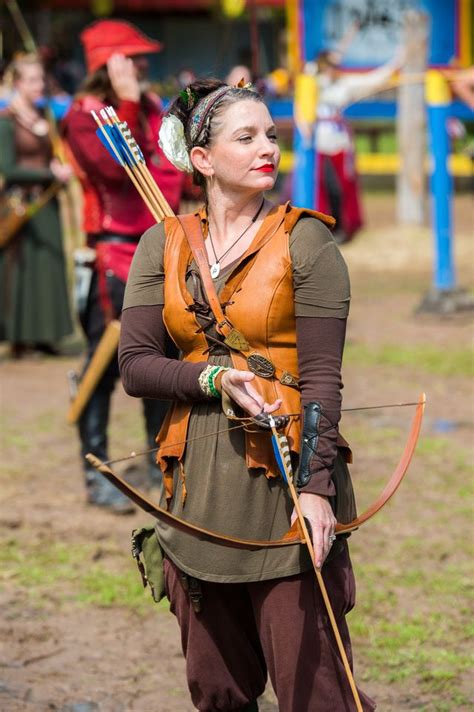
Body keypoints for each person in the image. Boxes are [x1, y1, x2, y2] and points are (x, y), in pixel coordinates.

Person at [118, 78, 375, 710]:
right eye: (247, 137)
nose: (268, 149)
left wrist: (316, 492)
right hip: (196, 491)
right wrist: (211, 378)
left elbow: (321, 378)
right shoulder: (164, 243)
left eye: (271, 135)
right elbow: (136, 365)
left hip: (285, 485)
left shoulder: (306, 241)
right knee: (217, 692)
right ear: (202, 160)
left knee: (315, 693)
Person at [62, 20, 185, 513]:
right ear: (108, 66)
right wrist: (128, 102)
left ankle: (165, 463)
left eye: (141, 58)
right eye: (131, 58)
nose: (142, 66)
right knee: (103, 365)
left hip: (163, 248)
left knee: (162, 359)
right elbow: (116, 170)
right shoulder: (84, 115)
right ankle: (97, 472)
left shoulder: (154, 108)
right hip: (113, 254)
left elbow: (174, 167)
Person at [0, 52, 73, 359]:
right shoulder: (7, 122)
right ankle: (21, 338)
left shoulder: (48, 119)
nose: (38, 85)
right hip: (22, 204)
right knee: (24, 271)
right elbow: (8, 168)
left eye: (40, 79)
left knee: (49, 268)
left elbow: (57, 153)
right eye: (31, 80)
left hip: (49, 202)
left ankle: (46, 336)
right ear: (17, 83)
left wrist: (62, 168)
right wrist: (48, 173)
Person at [311, 49, 405, 243]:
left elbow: (374, 80)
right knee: (322, 187)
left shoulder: (345, 84)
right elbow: (309, 73)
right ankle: (321, 227)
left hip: (339, 143)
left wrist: (398, 60)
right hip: (317, 144)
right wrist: (327, 62)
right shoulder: (313, 81)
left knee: (341, 188)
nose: (334, 69)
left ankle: (342, 228)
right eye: (330, 66)